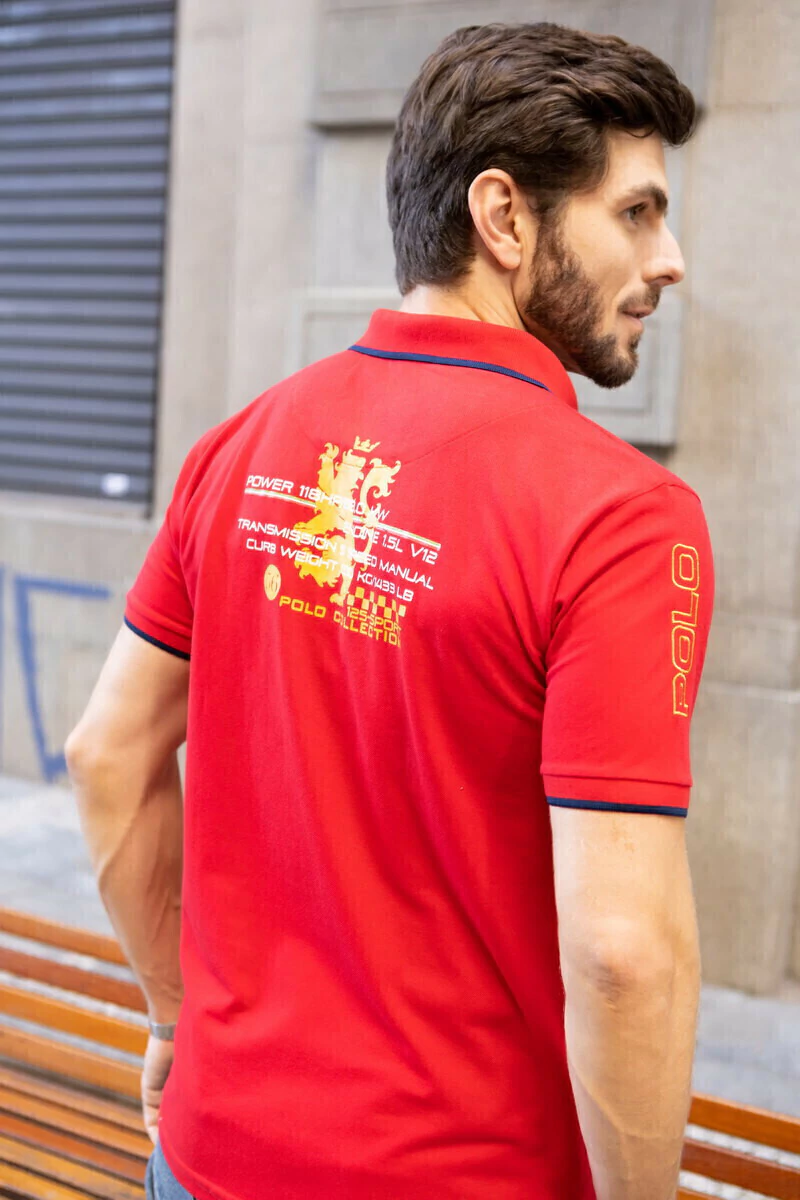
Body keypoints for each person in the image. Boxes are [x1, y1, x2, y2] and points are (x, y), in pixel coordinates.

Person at [67, 20, 714, 1200]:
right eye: (634, 212)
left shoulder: (239, 446)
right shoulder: (621, 519)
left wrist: (173, 1010)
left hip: (206, 1153)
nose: (666, 259)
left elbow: (107, 754)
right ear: (503, 217)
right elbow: (622, 954)